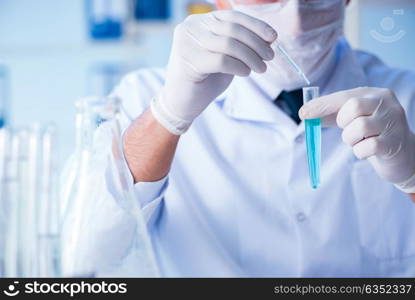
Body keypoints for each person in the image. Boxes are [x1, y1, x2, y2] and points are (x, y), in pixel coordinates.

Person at [66, 0, 415, 277]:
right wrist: (168, 115)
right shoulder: (143, 97)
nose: (295, 19)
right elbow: (84, 256)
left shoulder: (407, 96)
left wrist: (413, 177)